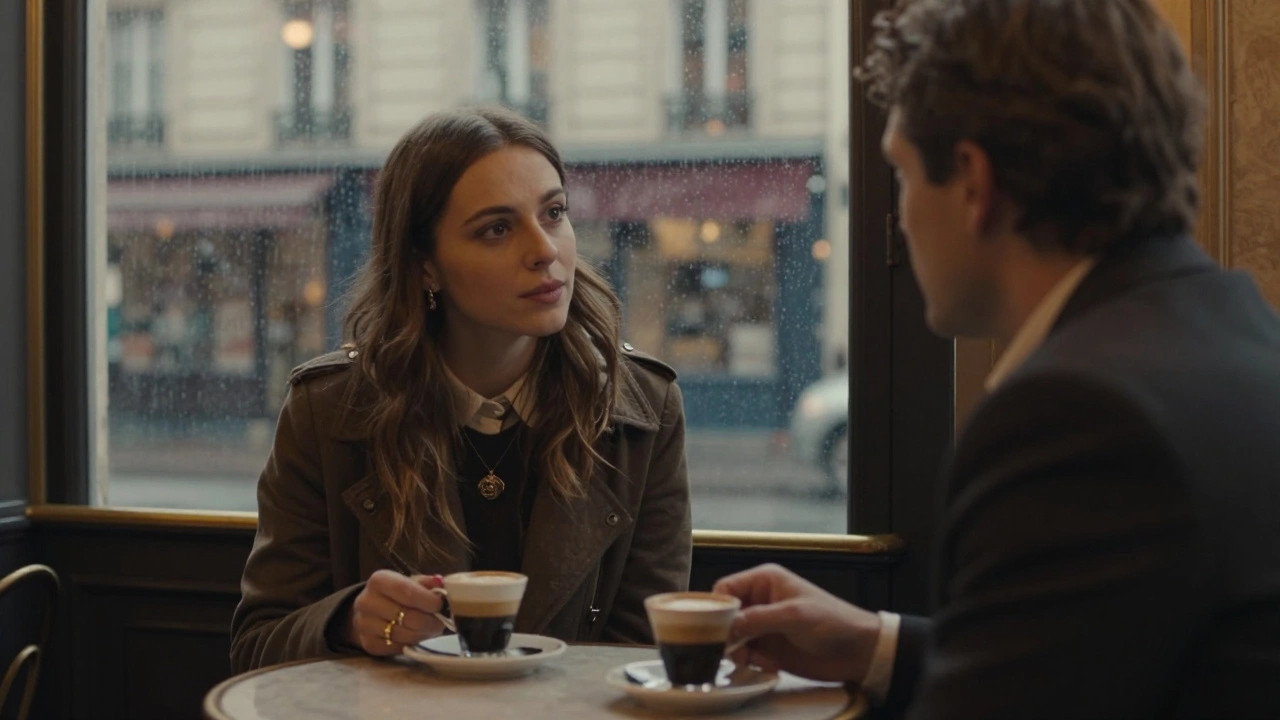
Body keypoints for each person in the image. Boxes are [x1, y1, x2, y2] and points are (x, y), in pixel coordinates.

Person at [715, 1, 1280, 718]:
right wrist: (873, 643)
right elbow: (1101, 662)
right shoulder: (1230, 327)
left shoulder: (1078, 416)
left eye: (902, 173)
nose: (900, 215)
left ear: (974, 184)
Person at [230, 107, 692, 673]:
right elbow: (256, 647)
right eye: (497, 228)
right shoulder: (328, 410)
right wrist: (349, 620)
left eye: (554, 213)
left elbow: (644, 656)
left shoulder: (642, 410)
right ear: (425, 266)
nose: (544, 250)